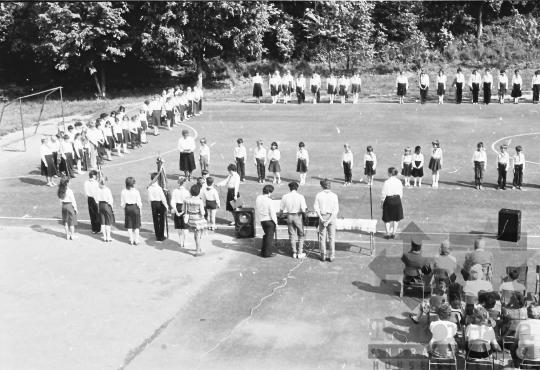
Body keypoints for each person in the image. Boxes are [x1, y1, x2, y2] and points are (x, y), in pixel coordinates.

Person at [279, 181, 307, 259]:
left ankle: (294, 252)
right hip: (298, 216)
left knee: (292, 235)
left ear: (290, 188)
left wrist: (280, 215)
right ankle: (300, 252)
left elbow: (281, 210)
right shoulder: (300, 196)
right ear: (297, 188)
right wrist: (306, 215)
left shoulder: (285, 196)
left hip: (289, 216)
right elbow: (304, 209)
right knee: (301, 235)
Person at [314, 179, 339, 262]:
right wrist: (329, 220)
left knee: (322, 237)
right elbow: (335, 210)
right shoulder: (334, 195)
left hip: (323, 216)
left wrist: (322, 219)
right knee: (332, 237)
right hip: (331, 217)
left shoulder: (319, 195)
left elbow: (316, 208)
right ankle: (331, 256)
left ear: (322, 186)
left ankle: (323, 255)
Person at [510, 303, 540, 369]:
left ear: (527, 313)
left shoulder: (521, 324)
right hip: (538, 358)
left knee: (513, 347)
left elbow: (515, 342)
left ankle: (517, 366)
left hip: (523, 357)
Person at [182, 184, 207, 257]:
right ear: (198, 193)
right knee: (198, 235)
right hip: (198, 220)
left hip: (190, 219)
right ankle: (198, 251)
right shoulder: (199, 201)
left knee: (195, 234)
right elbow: (202, 212)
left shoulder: (186, 200)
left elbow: (183, 209)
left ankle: (197, 248)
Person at [381, 167, 404, 239]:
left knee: (387, 218)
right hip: (397, 200)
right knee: (396, 218)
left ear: (391, 173)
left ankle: (388, 233)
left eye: (388, 172)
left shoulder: (387, 182)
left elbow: (384, 193)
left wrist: (382, 202)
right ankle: (393, 233)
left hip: (388, 200)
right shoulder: (399, 181)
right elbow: (401, 192)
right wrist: (399, 200)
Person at [256, 185, 278, 258]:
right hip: (269, 220)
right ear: (269, 192)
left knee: (266, 236)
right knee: (269, 238)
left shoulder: (258, 198)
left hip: (262, 220)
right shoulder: (269, 201)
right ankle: (267, 253)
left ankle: (263, 252)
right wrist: (276, 223)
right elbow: (273, 213)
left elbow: (258, 209)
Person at [120, 177, 142, 245]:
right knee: (136, 225)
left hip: (128, 208)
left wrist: (125, 209)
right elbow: (139, 203)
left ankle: (131, 240)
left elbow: (122, 203)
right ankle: (137, 240)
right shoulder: (136, 191)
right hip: (135, 207)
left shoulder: (123, 191)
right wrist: (140, 211)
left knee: (129, 225)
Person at [148, 172, 169, 242]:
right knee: (161, 220)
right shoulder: (159, 188)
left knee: (155, 220)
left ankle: (157, 235)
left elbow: (149, 198)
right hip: (159, 203)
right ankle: (161, 235)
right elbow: (163, 198)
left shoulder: (149, 188)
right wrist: (166, 206)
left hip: (153, 203)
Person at [171, 176, 190, 247]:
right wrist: (182, 212)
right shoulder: (186, 192)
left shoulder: (175, 191)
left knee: (179, 227)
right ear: (184, 183)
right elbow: (187, 203)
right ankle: (185, 242)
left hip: (177, 207)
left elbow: (173, 202)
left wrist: (176, 212)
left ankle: (181, 242)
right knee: (185, 227)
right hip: (183, 208)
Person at [95, 177, 114, 242]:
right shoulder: (107, 190)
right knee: (108, 222)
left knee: (102, 221)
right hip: (106, 205)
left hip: (100, 205)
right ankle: (108, 237)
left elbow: (96, 198)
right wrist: (111, 207)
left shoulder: (98, 189)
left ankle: (105, 237)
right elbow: (110, 200)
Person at [83, 170, 101, 234]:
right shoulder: (96, 183)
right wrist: (98, 201)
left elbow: (85, 192)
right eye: (95, 175)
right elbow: (97, 192)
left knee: (92, 214)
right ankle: (98, 229)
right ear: (93, 176)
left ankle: (93, 229)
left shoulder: (86, 182)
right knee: (97, 214)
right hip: (95, 199)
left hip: (89, 199)